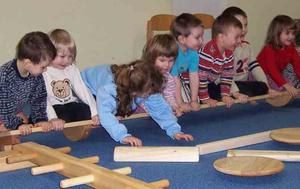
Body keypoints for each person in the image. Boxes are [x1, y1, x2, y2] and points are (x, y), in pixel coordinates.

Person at [81, 60, 193, 146]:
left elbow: (160, 109)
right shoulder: (109, 90)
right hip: (83, 88)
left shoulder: (144, 84)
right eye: (149, 93)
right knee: (95, 114)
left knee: (128, 106)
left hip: (117, 91)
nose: (151, 94)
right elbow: (105, 113)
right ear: (135, 90)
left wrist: (174, 130)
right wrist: (122, 136)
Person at [0, 31, 59, 149]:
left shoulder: (36, 76)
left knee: (23, 119)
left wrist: (41, 119)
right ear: (27, 63)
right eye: (43, 67)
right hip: (3, 109)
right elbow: (4, 107)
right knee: (15, 124)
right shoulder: (5, 75)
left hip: (12, 110)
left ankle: (6, 132)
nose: (45, 70)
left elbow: (39, 99)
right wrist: (17, 125)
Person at [43, 29, 99, 129]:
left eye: (70, 57)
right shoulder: (44, 71)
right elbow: (43, 98)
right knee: (63, 116)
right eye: (62, 56)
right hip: (53, 105)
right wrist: (52, 118)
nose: (66, 61)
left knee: (84, 111)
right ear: (49, 52)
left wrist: (94, 112)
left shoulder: (71, 68)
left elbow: (82, 89)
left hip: (70, 103)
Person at [221, 7, 277, 99]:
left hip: (242, 85)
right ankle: (234, 95)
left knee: (261, 86)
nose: (243, 29)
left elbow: (256, 68)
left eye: (245, 25)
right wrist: (235, 92)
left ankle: (242, 94)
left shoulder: (247, 47)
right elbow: (222, 76)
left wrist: (267, 87)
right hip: (224, 85)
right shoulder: (223, 50)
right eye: (238, 25)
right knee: (213, 88)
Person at [198, 14, 242, 108]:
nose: (239, 41)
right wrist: (205, 98)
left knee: (221, 98)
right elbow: (200, 77)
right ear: (221, 37)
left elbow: (227, 76)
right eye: (236, 37)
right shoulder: (208, 51)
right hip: (191, 83)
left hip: (208, 83)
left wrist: (225, 95)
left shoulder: (229, 52)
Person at [257, 15, 300, 98]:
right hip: (261, 75)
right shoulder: (268, 49)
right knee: (284, 88)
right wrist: (285, 85)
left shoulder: (291, 48)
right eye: (287, 33)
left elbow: (298, 65)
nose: (291, 36)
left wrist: (288, 85)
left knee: (292, 87)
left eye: (293, 33)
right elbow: (272, 70)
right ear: (277, 33)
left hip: (275, 75)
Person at [170, 13, 204, 112]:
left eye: (202, 37)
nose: (201, 41)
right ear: (182, 39)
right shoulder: (173, 54)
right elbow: (174, 81)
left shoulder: (193, 53)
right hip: (159, 82)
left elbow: (194, 76)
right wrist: (180, 103)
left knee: (193, 104)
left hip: (174, 80)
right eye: (197, 37)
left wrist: (193, 100)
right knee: (175, 105)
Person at [142, 34, 183, 116]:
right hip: (139, 110)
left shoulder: (168, 77)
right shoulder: (144, 76)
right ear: (151, 58)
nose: (167, 65)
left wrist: (174, 107)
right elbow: (141, 99)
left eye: (171, 60)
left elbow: (169, 95)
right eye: (162, 60)